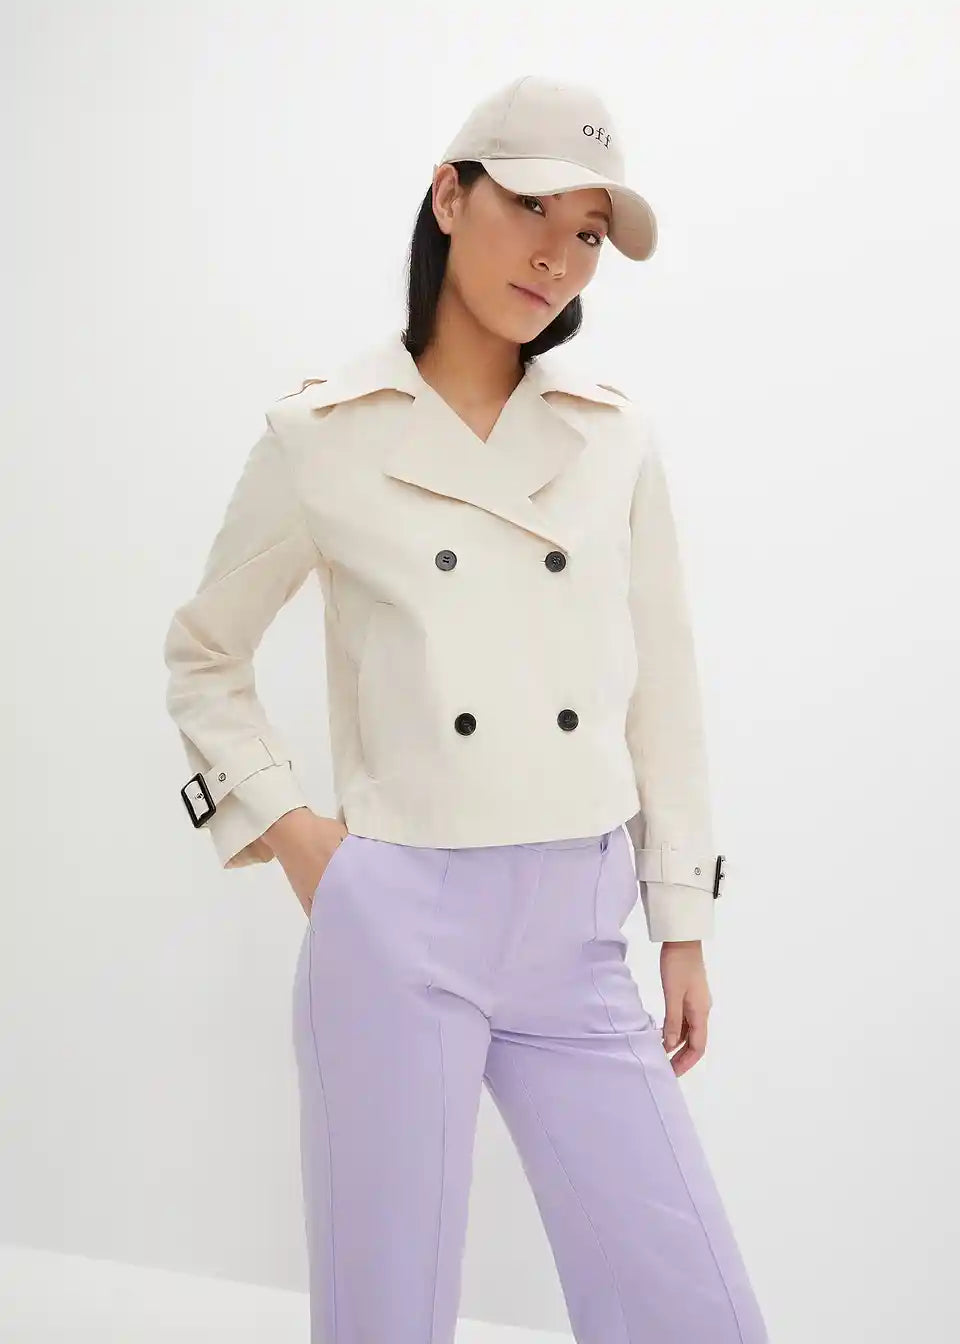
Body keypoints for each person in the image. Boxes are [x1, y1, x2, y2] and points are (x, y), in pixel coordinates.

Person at [162, 74, 768, 1344]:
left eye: (589, 232)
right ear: (449, 196)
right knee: (385, 1317)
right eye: (533, 206)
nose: (559, 256)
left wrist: (683, 923)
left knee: (695, 1312)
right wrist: (300, 838)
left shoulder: (613, 438)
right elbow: (205, 654)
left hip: (578, 929)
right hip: (398, 924)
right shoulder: (323, 435)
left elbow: (666, 693)